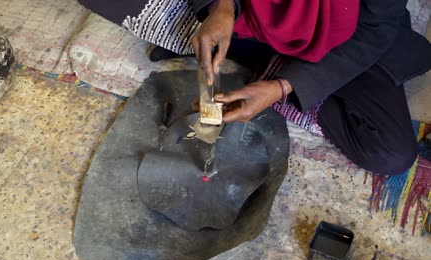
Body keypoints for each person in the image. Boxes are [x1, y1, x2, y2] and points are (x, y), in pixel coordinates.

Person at [78, 0, 431, 175]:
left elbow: (373, 30)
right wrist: (221, 7)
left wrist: (283, 86)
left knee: (390, 152)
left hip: (337, 37)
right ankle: (217, 36)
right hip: (246, 11)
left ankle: (264, 64)